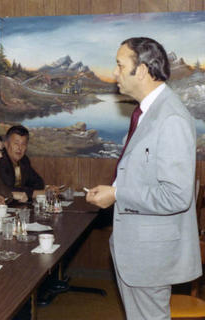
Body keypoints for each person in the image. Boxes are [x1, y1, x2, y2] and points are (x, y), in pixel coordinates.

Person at [86, 37, 201, 320]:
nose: (114, 73)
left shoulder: (170, 117)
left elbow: (176, 195)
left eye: (119, 65)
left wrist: (118, 194)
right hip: (138, 252)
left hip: (150, 257)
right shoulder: (148, 113)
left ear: (142, 70)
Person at [0, 125, 44, 200]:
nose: (20, 148)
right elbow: (7, 189)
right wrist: (33, 193)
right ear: (6, 144)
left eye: (23, 144)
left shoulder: (24, 160)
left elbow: (38, 182)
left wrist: (46, 189)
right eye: (16, 143)